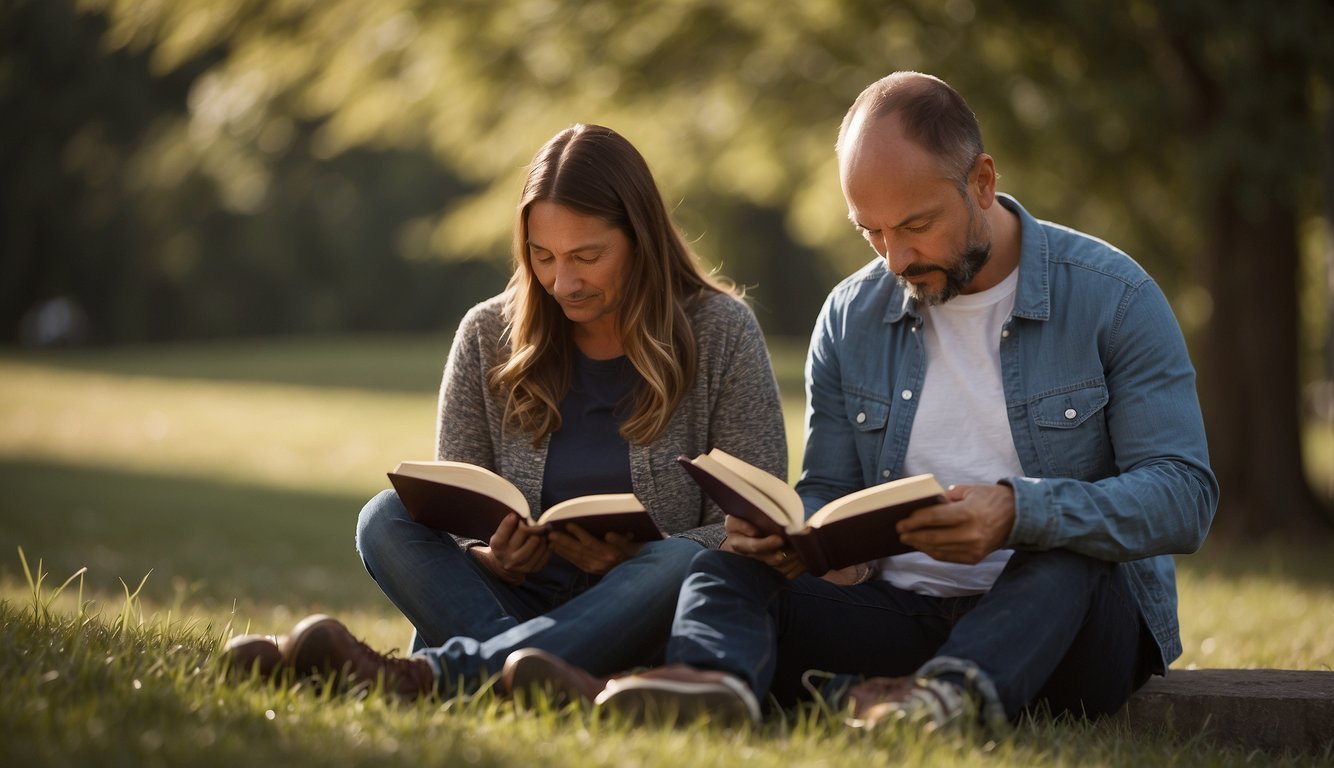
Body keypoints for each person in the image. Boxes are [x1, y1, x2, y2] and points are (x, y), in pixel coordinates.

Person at [522, 71, 1219, 731]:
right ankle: (713, 685)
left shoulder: (1112, 297)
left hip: (1065, 628)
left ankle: (946, 698)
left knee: (1066, 547)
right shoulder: (852, 314)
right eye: (870, 231)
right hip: (895, 614)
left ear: (982, 181)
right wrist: (806, 542)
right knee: (723, 566)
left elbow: (1184, 495)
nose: (894, 258)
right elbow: (828, 488)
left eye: (915, 226)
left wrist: (1018, 511)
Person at [223, 123, 787, 698]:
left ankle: (426, 676)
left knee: (680, 563)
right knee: (383, 518)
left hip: (644, 602)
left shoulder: (720, 331)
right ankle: (543, 677)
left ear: (640, 238)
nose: (564, 282)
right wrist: (492, 558)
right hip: (511, 594)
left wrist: (646, 550)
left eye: (587, 257)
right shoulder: (487, 334)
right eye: (544, 257)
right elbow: (456, 510)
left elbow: (755, 527)